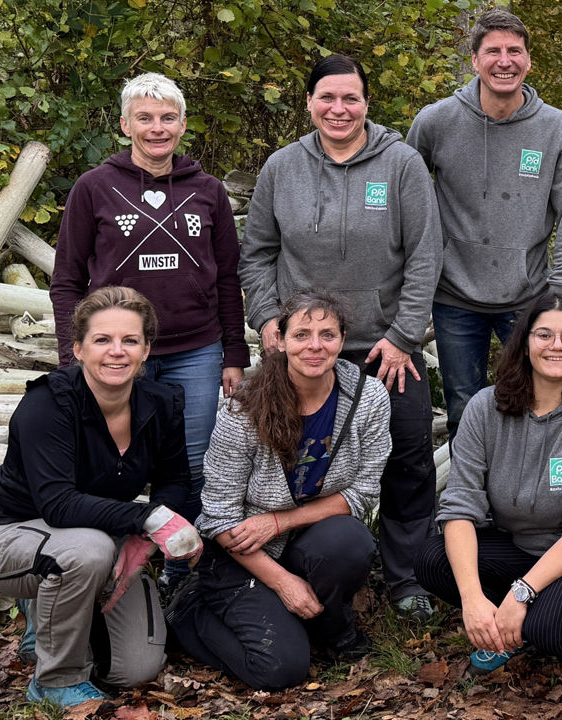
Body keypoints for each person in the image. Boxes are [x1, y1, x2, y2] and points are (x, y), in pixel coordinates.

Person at [238, 55, 442, 618]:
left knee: (407, 456)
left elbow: (426, 255)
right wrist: (268, 320)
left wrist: (405, 335)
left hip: (386, 345)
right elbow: (256, 254)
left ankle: (405, 577)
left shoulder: (401, 165)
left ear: (366, 104)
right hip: (302, 345)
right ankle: (292, 567)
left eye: (350, 98)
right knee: (290, 455)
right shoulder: (282, 168)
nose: (339, 109)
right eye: (327, 97)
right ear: (309, 104)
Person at [49, 71, 248, 592]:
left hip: (196, 351)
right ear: (124, 124)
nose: (156, 128)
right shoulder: (94, 188)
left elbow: (229, 276)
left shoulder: (208, 191)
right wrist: (75, 359)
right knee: (107, 467)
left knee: (195, 465)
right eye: (144, 118)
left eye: (167, 118)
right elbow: (67, 279)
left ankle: (184, 574)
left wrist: (234, 352)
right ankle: (110, 573)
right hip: (117, 354)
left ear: (182, 125)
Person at [0, 287, 202, 708]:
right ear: (77, 348)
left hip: (95, 538)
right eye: (102, 340)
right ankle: (55, 679)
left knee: (136, 670)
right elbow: (57, 503)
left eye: (130, 340)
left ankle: (52, 617)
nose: (117, 352)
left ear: (147, 349)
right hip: (6, 534)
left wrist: (140, 539)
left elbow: (176, 482)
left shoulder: (162, 403)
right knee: (87, 552)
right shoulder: (47, 404)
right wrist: (147, 520)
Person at [166, 291, 391, 690]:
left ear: (343, 340)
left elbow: (363, 492)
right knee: (281, 669)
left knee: (350, 541)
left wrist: (279, 520)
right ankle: (190, 611)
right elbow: (218, 516)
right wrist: (281, 582)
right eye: (302, 334)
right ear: (280, 340)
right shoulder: (243, 410)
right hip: (241, 554)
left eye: (328, 334)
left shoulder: (368, 399)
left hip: (308, 540)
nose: (316, 346)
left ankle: (329, 627)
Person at [415, 293, 562, 678]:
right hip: (522, 545)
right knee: (433, 561)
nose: (557, 345)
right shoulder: (485, 409)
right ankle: (513, 618)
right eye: (544, 334)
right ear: (524, 342)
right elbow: (460, 505)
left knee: (546, 630)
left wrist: (521, 595)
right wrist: (472, 601)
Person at [406, 8, 562, 442]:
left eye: (514, 50)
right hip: (454, 296)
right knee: (463, 408)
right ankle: (466, 505)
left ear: (528, 60)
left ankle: (533, 505)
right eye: (493, 51)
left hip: (529, 299)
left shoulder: (557, 129)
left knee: (541, 405)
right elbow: (407, 201)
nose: (504, 60)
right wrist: (417, 275)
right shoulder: (436, 122)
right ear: (474, 60)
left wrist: (561, 295)